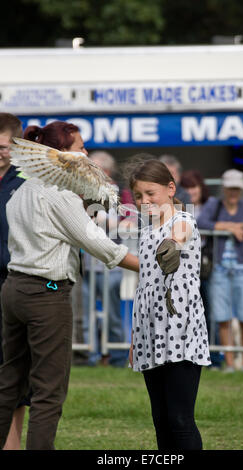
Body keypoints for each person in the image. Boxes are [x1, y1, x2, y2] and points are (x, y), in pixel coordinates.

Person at [0, 121, 139, 450]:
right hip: (45, 295)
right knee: (49, 391)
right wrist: (151, 266)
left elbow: (61, 231)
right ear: (62, 155)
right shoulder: (59, 193)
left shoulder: (23, 190)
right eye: (80, 147)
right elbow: (101, 246)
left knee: (8, 383)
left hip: (14, 290)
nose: (85, 153)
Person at [127, 158, 211, 450]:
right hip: (151, 332)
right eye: (138, 196)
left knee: (180, 419)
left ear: (171, 188)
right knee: (160, 419)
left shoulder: (183, 220)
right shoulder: (147, 230)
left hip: (181, 332)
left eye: (151, 193)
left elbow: (180, 235)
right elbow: (145, 288)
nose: (145, 201)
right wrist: (136, 336)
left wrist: (172, 245)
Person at [197, 169, 243, 372]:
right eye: (230, 189)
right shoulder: (214, 205)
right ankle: (229, 363)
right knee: (223, 317)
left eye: (236, 189)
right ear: (224, 188)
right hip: (220, 269)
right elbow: (201, 222)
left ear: (241, 189)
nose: (232, 193)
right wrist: (229, 227)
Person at [0, 112, 29, 450]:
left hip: (14, 284)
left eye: (4, 146)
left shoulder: (25, 181)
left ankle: (12, 445)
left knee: (13, 373)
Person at [82, 150, 128, 367]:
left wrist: (99, 218)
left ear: (106, 171)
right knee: (87, 314)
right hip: (88, 263)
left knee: (112, 316)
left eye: (94, 167)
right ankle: (91, 357)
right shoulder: (84, 191)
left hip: (111, 263)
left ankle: (117, 358)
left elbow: (125, 223)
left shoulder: (120, 194)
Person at [181, 170, 221, 369]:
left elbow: (202, 224)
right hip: (185, 266)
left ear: (201, 187)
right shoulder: (181, 207)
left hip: (206, 265)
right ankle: (194, 355)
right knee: (191, 313)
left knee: (211, 311)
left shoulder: (211, 203)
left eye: (194, 187)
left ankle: (215, 357)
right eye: (187, 187)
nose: (191, 191)